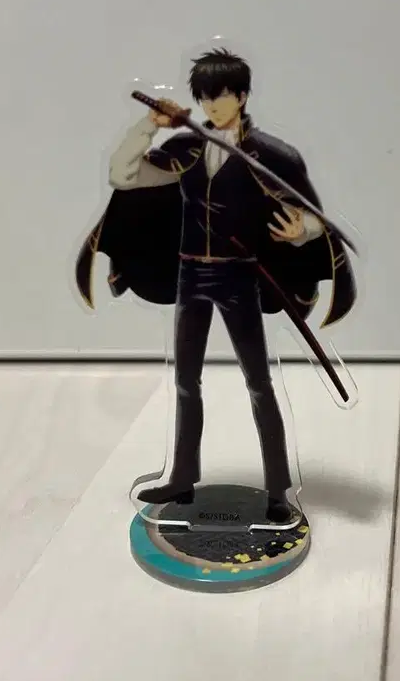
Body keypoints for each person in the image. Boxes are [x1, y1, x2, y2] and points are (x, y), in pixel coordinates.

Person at [75, 49, 356, 523]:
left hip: (238, 275)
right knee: (186, 381)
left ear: (242, 96)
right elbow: (122, 174)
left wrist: (301, 231)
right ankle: (183, 478)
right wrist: (148, 126)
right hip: (190, 274)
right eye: (205, 98)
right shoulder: (186, 148)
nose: (212, 106)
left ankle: (277, 490)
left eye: (221, 96)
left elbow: (312, 213)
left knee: (259, 382)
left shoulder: (269, 154)